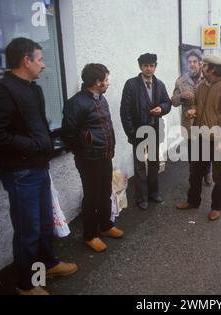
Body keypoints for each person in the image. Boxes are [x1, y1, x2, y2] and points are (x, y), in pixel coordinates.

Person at [0, 37, 77, 295]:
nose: (43, 65)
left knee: (45, 224)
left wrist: (44, 143)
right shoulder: (2, 91)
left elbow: (37, 126)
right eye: (40, 59)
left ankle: (47, 265)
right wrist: (32, 144)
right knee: (28, 231)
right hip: (21, 173)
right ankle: (27, 284)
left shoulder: (34, 89)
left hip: (39, 167)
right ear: (26, 60)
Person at [61, 63, 124, 253]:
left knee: (105, 193)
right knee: (91, 197)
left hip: (104, 156)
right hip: (88, 160)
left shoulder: (100, 99)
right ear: (97, 82)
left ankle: (105, 226)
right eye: (105, 79)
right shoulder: (76, 103)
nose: (108, 83)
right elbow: (68, 134)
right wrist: (83, 152)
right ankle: (90, 235)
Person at [176, 55, 221, 221]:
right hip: (200, 137)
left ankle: (216, 207)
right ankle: (193, 201)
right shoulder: (201, 86)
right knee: (195, 173)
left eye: (204, 65)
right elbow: (198, 105)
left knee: (218, 176)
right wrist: (193, 111)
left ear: (212, 69)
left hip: (219, 140)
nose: (201, 66)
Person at [120, 53, 172, 210]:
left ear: (155, 66)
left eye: (151, 65)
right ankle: (141, 198)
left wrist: (161, 108)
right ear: (140, 67)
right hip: (138, 131)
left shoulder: (160, 84)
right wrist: (131, 133)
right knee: (140, 165)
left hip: (154, 130)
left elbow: (167, 103)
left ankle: (153, 193)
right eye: (145, 66)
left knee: (154, 163)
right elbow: (125, 111)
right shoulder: (131, 85)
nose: (149, 69)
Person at [172, 49, 212, 186]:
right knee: (192, 153)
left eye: (195, 62)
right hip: (189, 124)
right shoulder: (181, 81)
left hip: (206, 123)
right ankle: (194, 178)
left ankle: (206, 173)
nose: (192, 64)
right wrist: (181, 96)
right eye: (190, 62)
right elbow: (174, 101)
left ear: (200, 64)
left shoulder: (209, 80)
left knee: (206, 152)